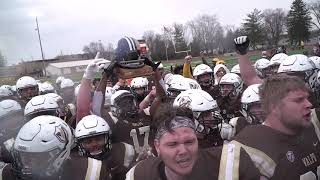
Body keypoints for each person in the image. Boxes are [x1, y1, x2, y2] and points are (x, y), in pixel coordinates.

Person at [229, 36, 320, 179]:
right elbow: (251, 79)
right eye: (285, 76)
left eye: (295, 76)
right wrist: (242, 53)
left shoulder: (314, 117)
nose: (290, 82)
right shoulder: (258, 140)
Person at [126, 105, 261, 180]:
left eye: (189, 141)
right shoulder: (139, 175)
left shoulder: (230, 162)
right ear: (157, 146)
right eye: (172, 144)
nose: (183, 151)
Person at [1, 115, 111, 180]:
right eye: (24, 156)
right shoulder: (7, 174)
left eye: (37, 157)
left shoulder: (90, 171)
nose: (27, 164)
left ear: (62, 154)